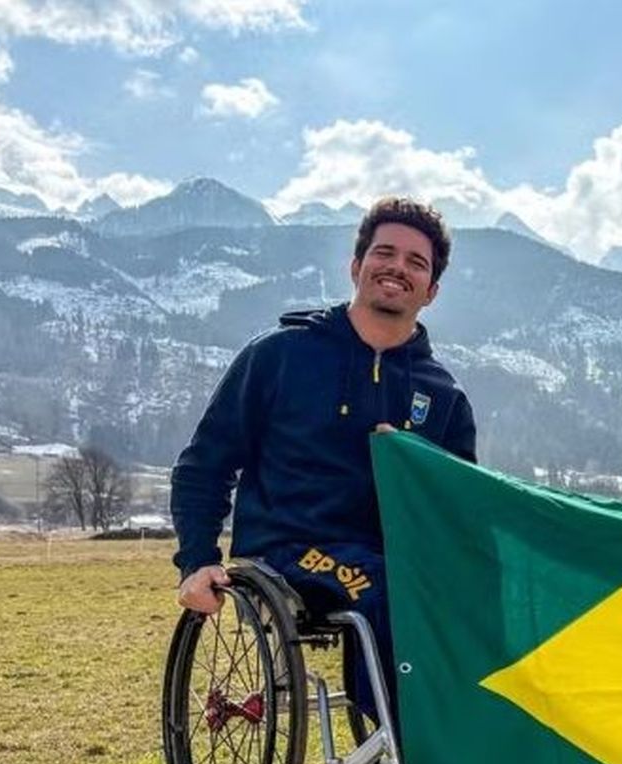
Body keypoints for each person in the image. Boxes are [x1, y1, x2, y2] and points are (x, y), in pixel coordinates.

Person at [170, 196, 478, 734]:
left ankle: (499, 749)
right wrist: (197, 559)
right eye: (385, 253)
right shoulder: (281, 355)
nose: (397, 268)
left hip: (392, 552)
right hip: (287, 545)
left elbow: (459, 504)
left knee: (478, 601)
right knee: (385, 591)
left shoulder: (443, 394)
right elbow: (205, 463)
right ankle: (430, 758)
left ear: (431, 291)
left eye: (416, 262)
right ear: (356, 266)